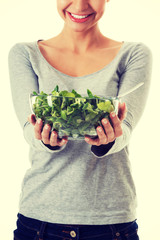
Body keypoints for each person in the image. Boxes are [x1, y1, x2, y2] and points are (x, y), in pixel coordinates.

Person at [8, 0, 152, 239]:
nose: (80, 4)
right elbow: (28, 127)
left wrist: (107, 140)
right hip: (39, 220)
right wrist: (46, 140)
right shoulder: (25, 53)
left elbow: (125, 129)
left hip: (111, 221)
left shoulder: (134, 54)